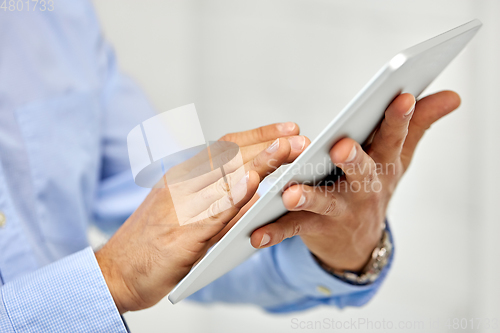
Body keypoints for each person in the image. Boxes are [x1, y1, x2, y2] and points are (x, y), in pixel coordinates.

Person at [0, 1, 461, 332]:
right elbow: (133, 254)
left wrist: (336, 242)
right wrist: (110, 278)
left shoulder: (57, 16)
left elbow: (160, 210)